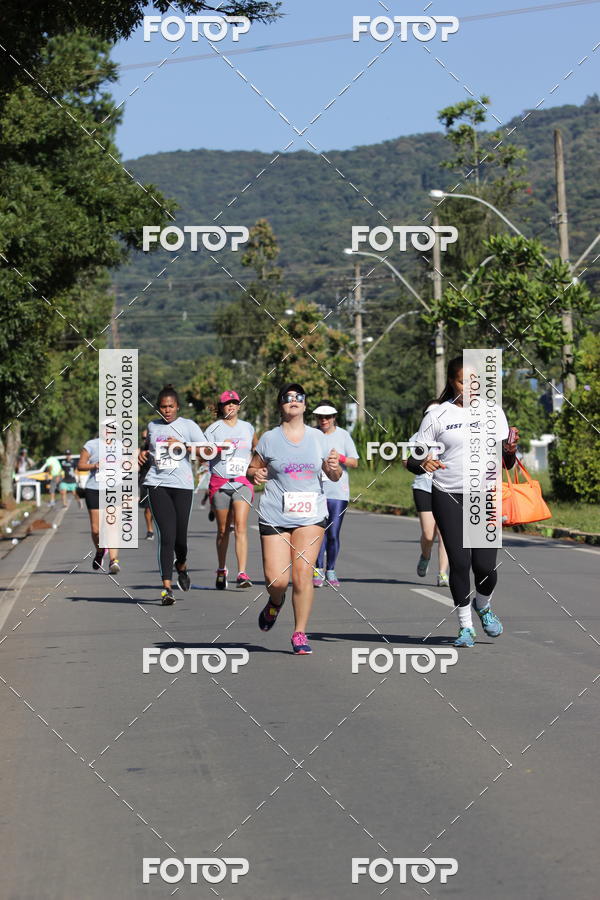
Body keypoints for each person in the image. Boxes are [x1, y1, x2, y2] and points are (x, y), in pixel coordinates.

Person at [407, 357, 519, 648]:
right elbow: (412, 459)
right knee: (459, 562)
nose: (470, 387)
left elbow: (506, 462)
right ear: (452, 383)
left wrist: (510, 450)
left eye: (475, 381)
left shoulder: (494, 412)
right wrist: (423, 462)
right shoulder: (437, 415)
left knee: (485, 567)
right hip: (448, 494)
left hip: (484, 496)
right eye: (462, 381)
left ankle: (483, 605)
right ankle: (465, 627)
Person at [247, 384, 342, 655]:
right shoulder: (269, 438)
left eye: (299, 397)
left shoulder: (319, 438)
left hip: (310, 515)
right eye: (287, 398)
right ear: (281, 405)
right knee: (277, 580)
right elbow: (252, 468)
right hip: (275, 513)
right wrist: (255, 474)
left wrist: (334, 469)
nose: (294, 401)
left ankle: (299, 632)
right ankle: (275, 602)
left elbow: (333, 476)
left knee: (302, 576)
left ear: (305, 403)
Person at [138, 385, 206, 605]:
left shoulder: (188, 426)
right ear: (158, 408)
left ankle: (182, 564)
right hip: (157, 484)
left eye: (171, 407)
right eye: (163, 407)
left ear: (177, 407)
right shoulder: (152, 426)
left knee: (180, 538)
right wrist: (142, 454)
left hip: (183, 486)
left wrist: (184, 445)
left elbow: (206, 451)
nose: (167, 411)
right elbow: (147, 448)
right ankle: (166, 588)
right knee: (166, 536)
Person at [205, 390, 257, 589]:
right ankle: (221, 569)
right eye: (227, 403)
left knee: (241, 527)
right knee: (222, 530)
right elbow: (204, 453)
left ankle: (242, 573)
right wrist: (219, 447)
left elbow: (257, 450)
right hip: (220, 482)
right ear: (221, 407)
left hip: (242, 482)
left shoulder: (248, 428)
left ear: (239, 406)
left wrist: (258, 468)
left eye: (234, 403)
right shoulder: (213, 429)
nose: (231, 406)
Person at [311, 401, 359, 588]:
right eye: (321, 417)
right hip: (315, 491)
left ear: (334, 417)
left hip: (338, 492)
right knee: (318, 533)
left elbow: (355, 462)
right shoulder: (310, 434)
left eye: (328, 416)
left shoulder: (343, 435)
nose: (324, 420)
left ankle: (330, 569)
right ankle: (318, 569)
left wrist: (339, 457)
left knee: (333, 533)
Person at [403, 413, 449, 587]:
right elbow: (405, 462)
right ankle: (426, 555)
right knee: (429, 535)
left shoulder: (449, 435)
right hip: (423, 488)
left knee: (444, 533)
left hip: (446, 488)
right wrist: (422, 462)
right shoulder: (416, 438)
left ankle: (442, 573)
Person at [78, 437, 120, 575]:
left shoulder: (120, 445)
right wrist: (94, 465)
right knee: (96, 530)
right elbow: (80, 465)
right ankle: (100, 550)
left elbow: (131, 463)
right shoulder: (91, 444)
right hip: (94, 489)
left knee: (112, 526)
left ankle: (114, 561)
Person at [138, 429, 154, 540]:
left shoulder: (158, 449)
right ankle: (150, 530)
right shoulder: (139, 451)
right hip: (145, 481)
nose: (145, 440)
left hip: (161, 481)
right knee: (148, 508)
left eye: (147, 438)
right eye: (143, 438)